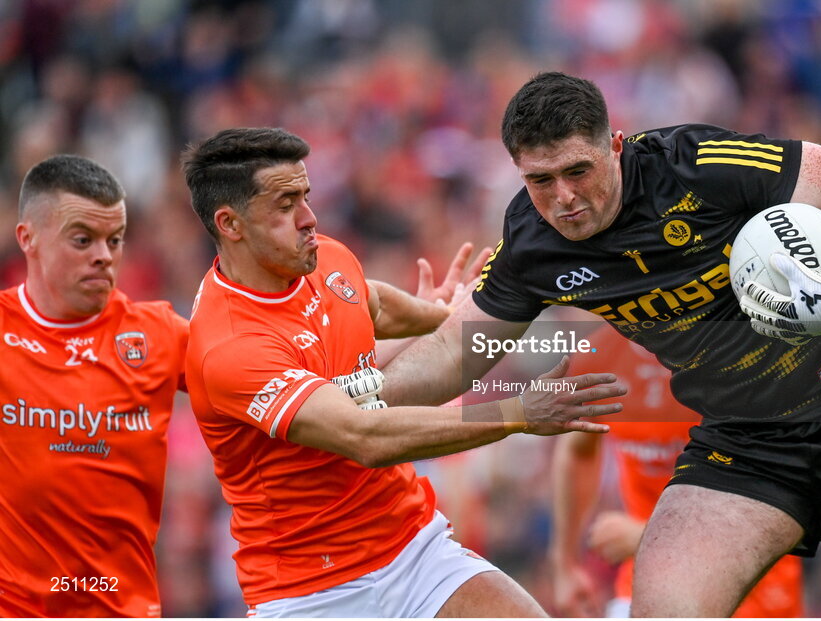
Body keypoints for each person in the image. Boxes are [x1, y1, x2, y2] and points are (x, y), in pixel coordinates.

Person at [381, 71, 821, 617]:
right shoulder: (534, 245)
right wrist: (349, 394)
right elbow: (455, 355)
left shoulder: (697, 165)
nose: (563, 198)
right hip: (746, 439)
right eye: (540, 180)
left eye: (578, 171)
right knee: (662, 608)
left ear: (615, 144)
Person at [180, 127, 624, 618]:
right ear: (231, 223)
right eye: (285, 205)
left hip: (413, 549)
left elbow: (366, 301)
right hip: (312, 591)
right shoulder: (230, 346)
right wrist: (518, 412)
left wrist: (439, 314)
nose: (309, 218)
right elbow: (366, 436)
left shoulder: (321, 256)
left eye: (305, 197)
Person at [0, 154, 189, 617]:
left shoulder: (158, 335)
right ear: (28, 239)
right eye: (83, 240)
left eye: (115, 240)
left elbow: (263, 374)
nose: (104, 255)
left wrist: (364, 372)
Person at [550, 324, 802, 618]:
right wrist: (565, 562)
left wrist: (646, 537)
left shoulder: (740, 357)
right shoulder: (600, 353)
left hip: (750, 587)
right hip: (643, 579)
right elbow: (577, 448)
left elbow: (777, 489)